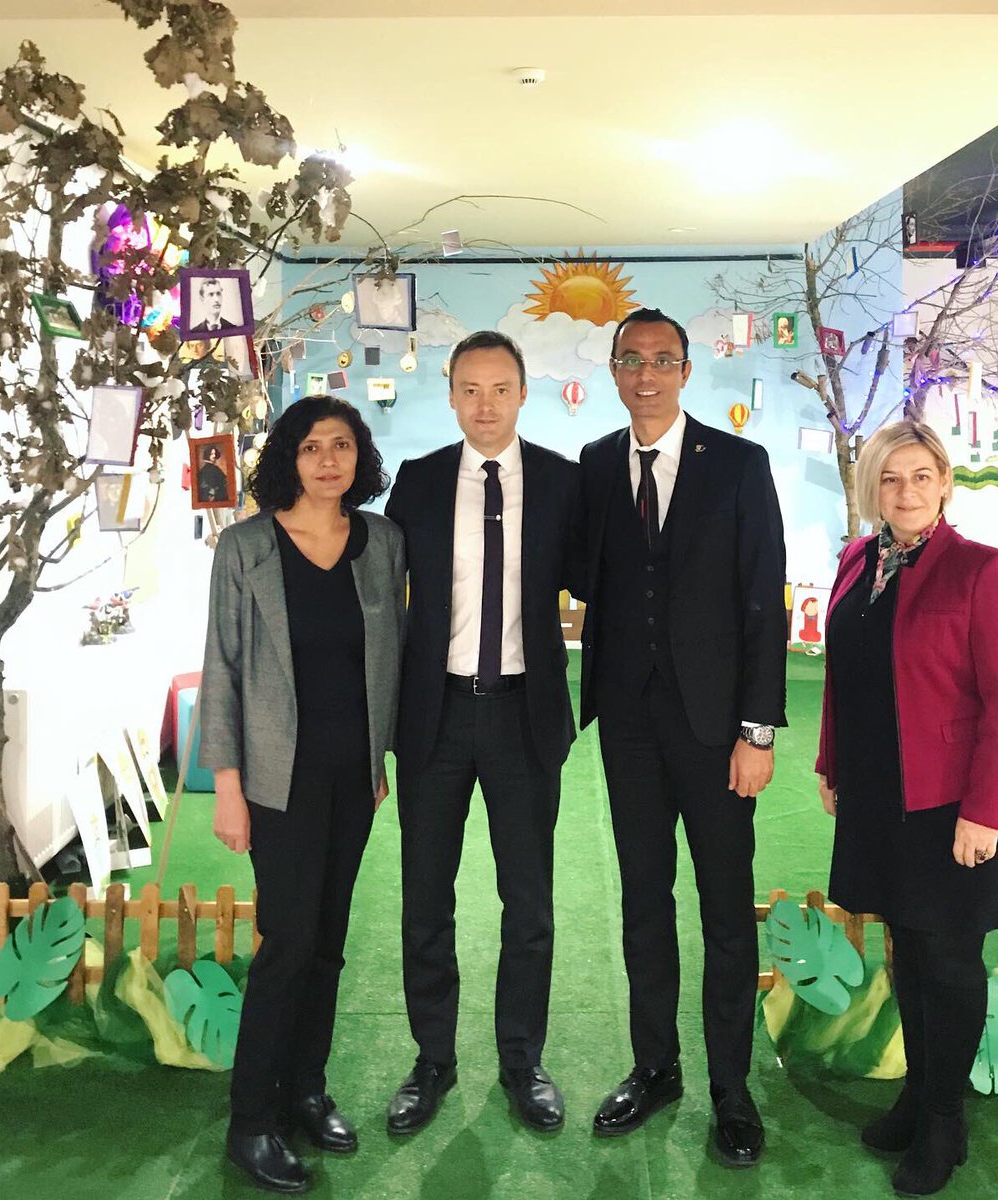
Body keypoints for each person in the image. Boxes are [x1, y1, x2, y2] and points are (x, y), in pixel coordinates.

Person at [579, 308, 787, 1167]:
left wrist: (757, 731)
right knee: (643, 902)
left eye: (662, 360)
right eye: (631, 359)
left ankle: (732, 1090)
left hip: (717, 730)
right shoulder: (596, 464)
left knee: (726, 911)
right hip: (629, 727)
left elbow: (763, 600)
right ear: (614, 370)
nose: (646, 374)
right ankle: (655, 1067)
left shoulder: (738, 463)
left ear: (686, 371)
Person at [815, 420, 998, 1197]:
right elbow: (844, 677)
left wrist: (985, 811)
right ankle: (917, 1092)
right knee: (908, 952)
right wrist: (831, 761)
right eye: (890, 477)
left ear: (944, 483)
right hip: (882, 796)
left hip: (955, 805)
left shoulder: (982, 569)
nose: (905, 492)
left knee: (949, 961)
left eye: (920, 476)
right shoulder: (857, 561)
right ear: (871, 486)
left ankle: (944, 1119)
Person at [199, 395, 405, 1195]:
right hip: (274, 780)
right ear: (289, 456)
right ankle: (251, 1120)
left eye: (342, 445)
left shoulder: (381, 543)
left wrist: (379, 758)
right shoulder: (245, 546)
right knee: (287, 943)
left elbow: (387, 656)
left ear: (360, 457)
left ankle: (306, 1092)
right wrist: (227, 787)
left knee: (327, 942)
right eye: (312, 446)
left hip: (352, 776)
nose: (328, 461)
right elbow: (222, 668)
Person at [384, 330, 580, 1136]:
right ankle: (432, 1058)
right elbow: (381, 596)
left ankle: (521, 1059)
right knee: (425, 899)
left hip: (524, 716)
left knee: (527, 902)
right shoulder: (420, 481)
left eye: (500, 389)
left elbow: (605, 580)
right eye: (470, 389)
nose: (486, 405)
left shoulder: (564, 483)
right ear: (451, 396)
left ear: (524, 394)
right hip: (434, 715)